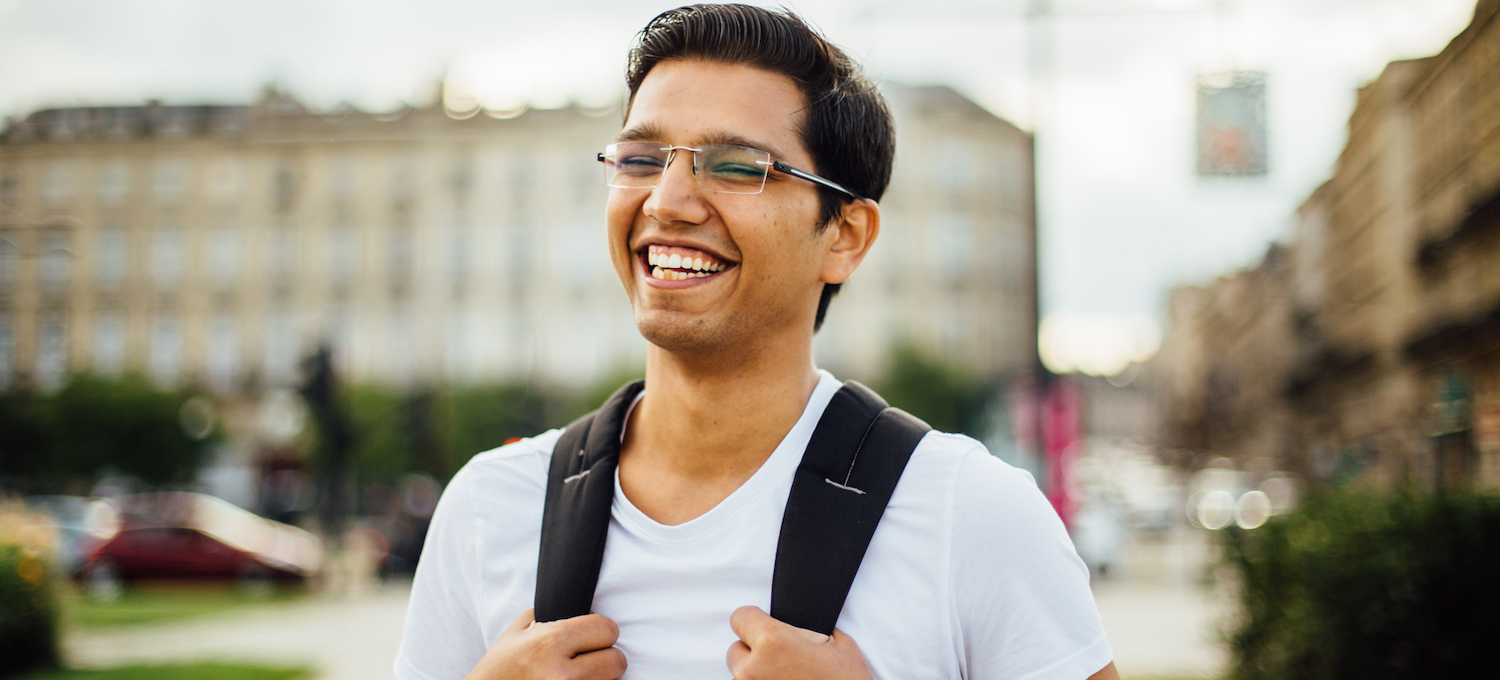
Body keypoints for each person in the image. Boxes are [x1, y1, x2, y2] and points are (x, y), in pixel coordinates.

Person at [394, 5, 1119, 679]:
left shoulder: (974, 513)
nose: (667, 202)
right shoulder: (489, 508)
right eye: (643, 159)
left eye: (738, 166)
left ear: (845, 236)